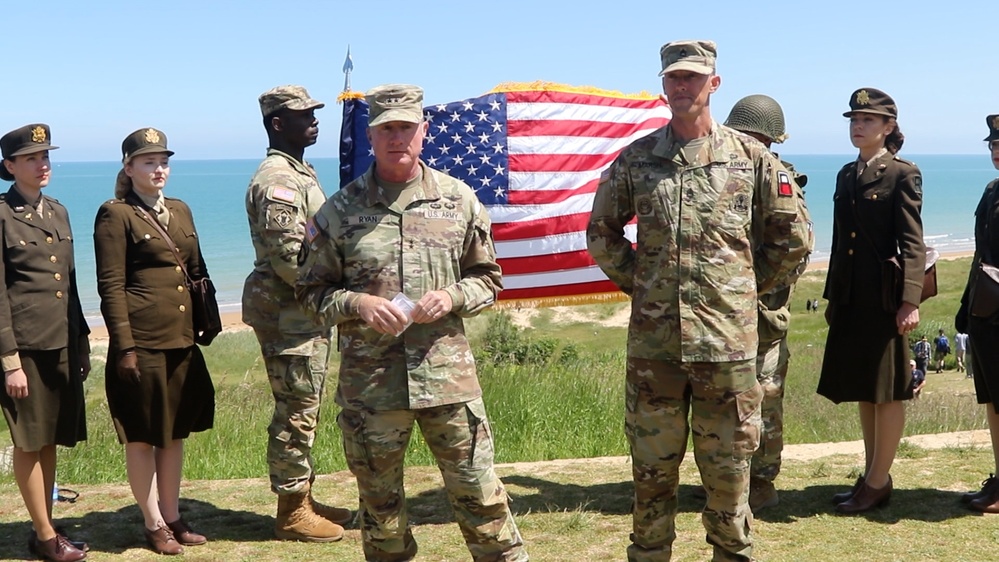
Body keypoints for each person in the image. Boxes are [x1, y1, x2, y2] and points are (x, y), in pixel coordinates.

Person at [587, 41, 810, 562]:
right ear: (663, 85)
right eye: (673, 78)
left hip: (728, 350)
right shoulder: (637, 160)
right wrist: (644, 285)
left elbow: (792, 237)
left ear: (715, 82)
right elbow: (602, 232)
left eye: (692, 76)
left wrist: (742, 290)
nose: (682, 86)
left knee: (730, 476)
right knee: (651, 478)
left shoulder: (752, 158)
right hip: (655, 351)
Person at [296, 83, 528, 562]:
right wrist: (357, 304)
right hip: (372, 388)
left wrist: (452, 295)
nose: (396, 137)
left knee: (480, 496)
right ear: (371, 136)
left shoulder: (458, 200)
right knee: (380, 509)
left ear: (423, 132)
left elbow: (489, 279)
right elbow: (309, 293)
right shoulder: (339, 212)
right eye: (386, 129)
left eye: (406, 127)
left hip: (447, 380)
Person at [94, 128, 216, 555]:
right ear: (129, 168)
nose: (158, 168)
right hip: (142, 342)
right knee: (143, 435)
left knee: (175, 431)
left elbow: (197, 268)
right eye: (148, 162)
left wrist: (207, 318)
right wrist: (124, 347)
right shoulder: (116, 214)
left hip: (180, 339)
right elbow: (111, 286)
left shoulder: (179, 210)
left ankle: (173, 513)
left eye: (163, 160)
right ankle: (153, 522)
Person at [242, 85, 351, 542]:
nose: (314, 120)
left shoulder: (300, 171)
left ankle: (302, 496)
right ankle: (290, 511)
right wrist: (336, 292)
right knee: (296, 411)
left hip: (302, 314)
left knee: (305, 407)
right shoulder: (277, 181)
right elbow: (289, 259)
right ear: (276, 123)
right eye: (302, 114)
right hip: (289, 316)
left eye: (314, 112)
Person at [817, 88, 925, 514]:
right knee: (865, 387)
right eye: (854, 120)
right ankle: (870, 476)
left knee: (889, 391)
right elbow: (840, 240)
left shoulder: (902, 174)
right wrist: (832, 296)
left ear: (888, 128)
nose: (858, 126)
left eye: (867, 120)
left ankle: (879, 481)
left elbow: (912, 242)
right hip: (851, 296)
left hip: (884, 297)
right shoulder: (846, 174)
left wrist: (909, 300)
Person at [0, 124, 90, 562]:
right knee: (29, 442)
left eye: (46, 155)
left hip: (60, 344)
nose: (43, 163)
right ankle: (44, 536)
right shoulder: (1, 215)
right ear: (9, 166)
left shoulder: (58, 211)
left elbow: (69, 287)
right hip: (25, 349)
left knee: (51, 438)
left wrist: (82, 344)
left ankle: (47, 526)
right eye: (32, 157)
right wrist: (8, 361)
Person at [723, 94, 813, 512]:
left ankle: (761, 481)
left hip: (761, 315)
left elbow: (797, 247)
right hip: (719, 317)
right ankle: (727, 478)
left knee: (765, 397)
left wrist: (754, 287)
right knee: (723, 401)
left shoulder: (779, 180)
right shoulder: (722, 175)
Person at [955, 114, 999, 512]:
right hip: (986, 313)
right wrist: (965, 307)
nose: (997, 151)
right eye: (993, 145)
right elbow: (981, 257)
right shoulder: (992, 190)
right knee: (992, 400)